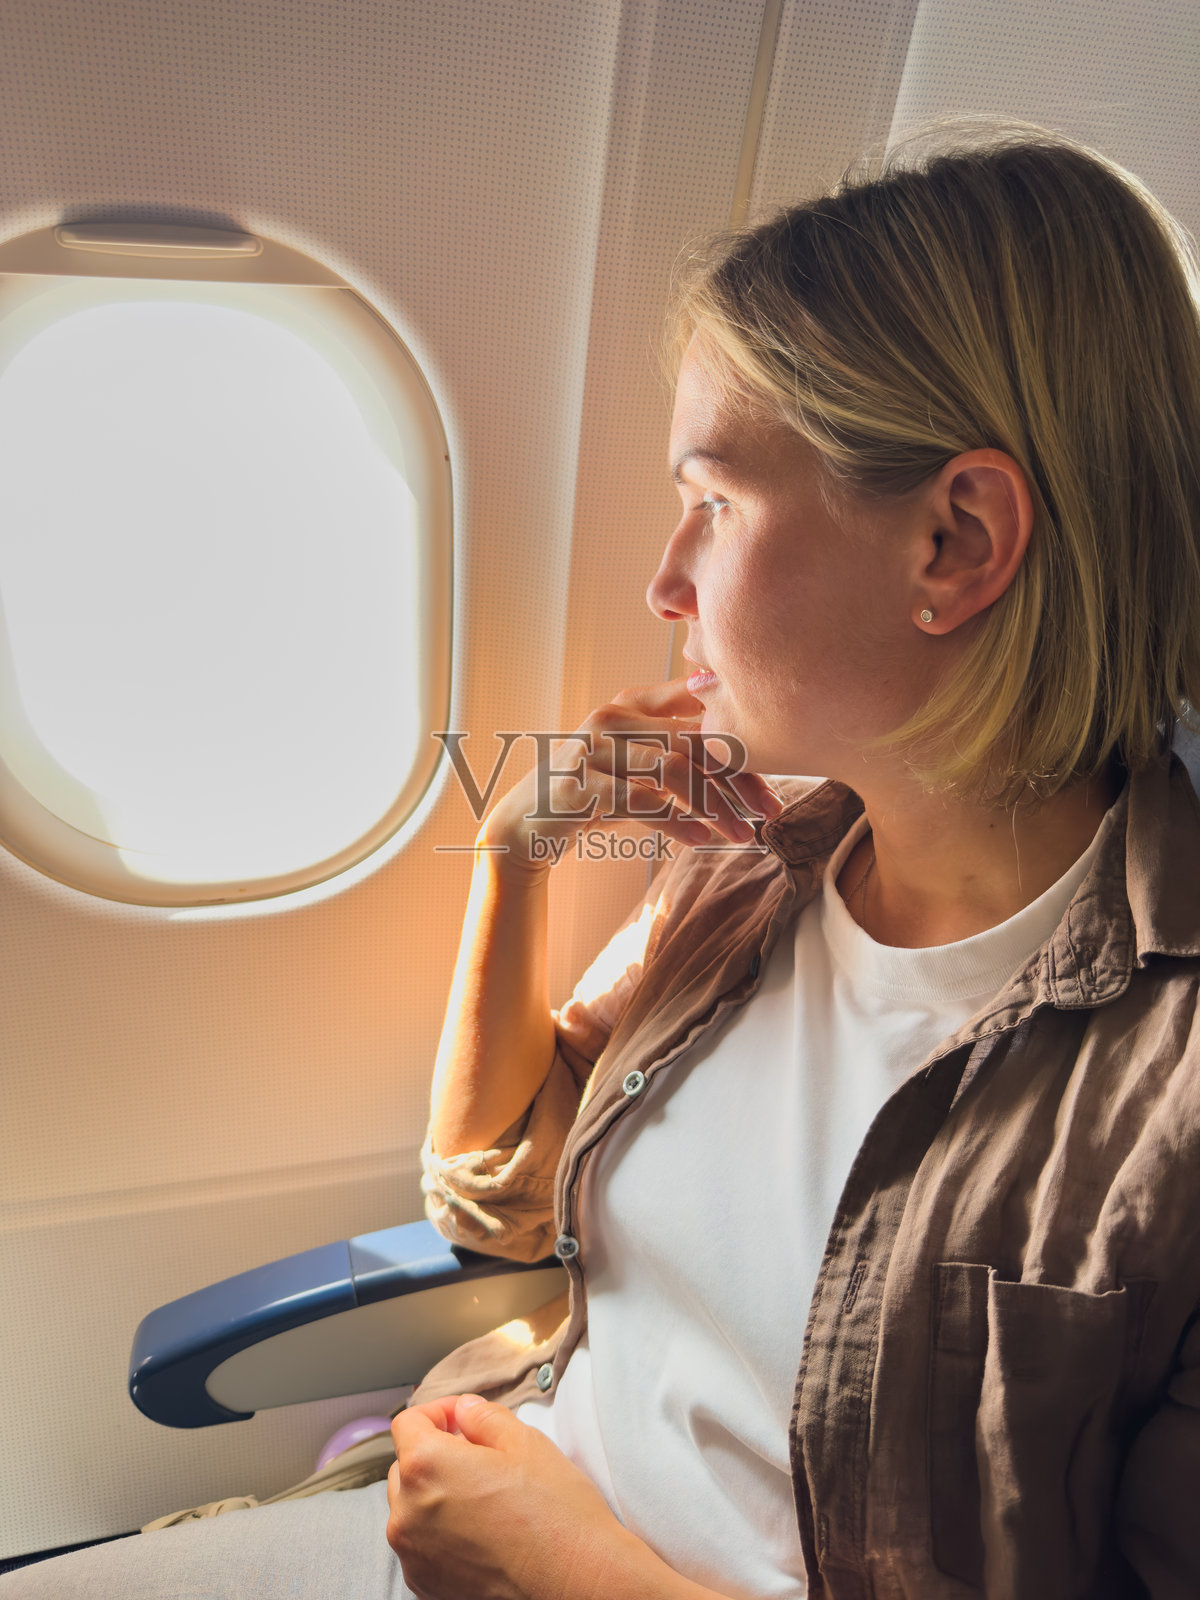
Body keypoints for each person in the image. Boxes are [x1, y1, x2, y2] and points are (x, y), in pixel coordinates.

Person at [7, 115, 1200, 1600]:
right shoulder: (757, 867)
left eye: (714, 504)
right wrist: (517, 855)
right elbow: (493, 1201)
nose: (663, 581)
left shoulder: (1164, 1085)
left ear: (954, 541)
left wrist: (554, 1553)